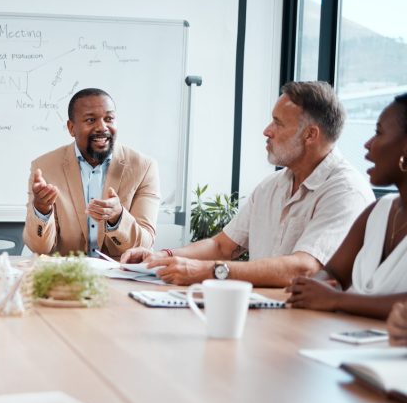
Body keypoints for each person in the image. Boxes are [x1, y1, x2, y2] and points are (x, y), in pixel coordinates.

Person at [122, 81, 374, 287]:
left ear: (311, 135)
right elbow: (222, 246)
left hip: (313, 330)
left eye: (278, 122)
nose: (267, 130)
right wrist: (162, 257)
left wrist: (210, 272)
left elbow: (304, 268)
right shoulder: (272, 186)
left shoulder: (347, 192)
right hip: (267, 313)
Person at [287, 93, 407, 319]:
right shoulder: (379, 211)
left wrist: (336, 299)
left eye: (378, 133)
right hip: (348, 344)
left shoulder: (349, 189)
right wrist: (310, 287)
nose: (367, 144)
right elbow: (333, 273)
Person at [23, 87, 160, 258]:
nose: (102, 127)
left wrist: (118, 218)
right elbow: (40, 248)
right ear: (71, 128)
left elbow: (145, 245)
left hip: (122, 275)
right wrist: (41, 209)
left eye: (109, 118)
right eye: (90, 120)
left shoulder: (143, 167)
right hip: (68, 275)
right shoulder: (44, 167)